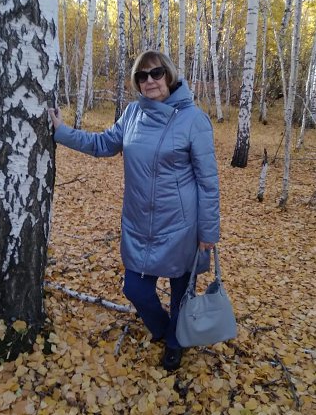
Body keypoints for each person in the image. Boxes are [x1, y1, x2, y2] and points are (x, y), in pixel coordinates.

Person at [49, 50, 219, 371]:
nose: (149, 81)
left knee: (181, 292)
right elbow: (102, 144)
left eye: (156, 73)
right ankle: (163, 329)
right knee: (135, 289)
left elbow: (208, 182)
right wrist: (62, 131)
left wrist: (208, 232)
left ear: (168, 75)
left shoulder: (194, 120)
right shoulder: (132, 114)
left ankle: (175, 342)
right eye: (142, 76)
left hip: (181, 225)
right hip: (139, 223)